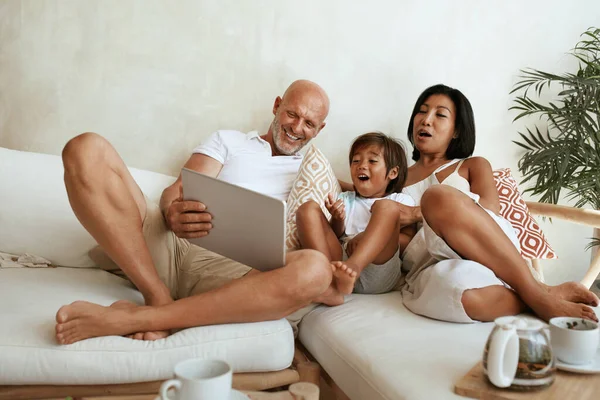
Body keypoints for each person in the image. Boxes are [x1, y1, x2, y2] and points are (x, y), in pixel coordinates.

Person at [54, 80, 354, 345]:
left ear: (320, 129)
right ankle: (156, 296)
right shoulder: (229, 141)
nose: (297, 128)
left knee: (315, 269)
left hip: (240, 276)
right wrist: (171, 210)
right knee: (86, 148)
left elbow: (378, 188)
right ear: (277, 106)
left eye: (309, 123)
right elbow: (177, 189)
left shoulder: (315, 171)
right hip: (169, 246)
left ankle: (140, 319)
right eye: (292, 114)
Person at [396, 84, 599, 323]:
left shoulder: (473, 165)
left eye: (440, 114)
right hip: (433, 262)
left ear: (457, 131)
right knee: (461, 296)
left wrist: (420, 213)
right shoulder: (394, 178)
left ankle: (536, 295)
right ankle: (544, 292)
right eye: (421, 112)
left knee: (437, 196)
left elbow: (490, 211)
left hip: (490, 252)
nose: (426, 120)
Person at [296, 132, 416, 295]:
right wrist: (337, 219)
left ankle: (354, 267)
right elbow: (336, 235)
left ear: (392, 173)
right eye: (356, 161)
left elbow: (406, 242)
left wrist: (365, 238)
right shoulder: (346, 198)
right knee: (307, 209)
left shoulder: (400, 200)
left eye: (372, 161)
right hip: (340, 262)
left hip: (378, 267)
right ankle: (327, 285)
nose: (362, 165)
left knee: (386, 207)